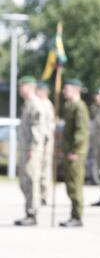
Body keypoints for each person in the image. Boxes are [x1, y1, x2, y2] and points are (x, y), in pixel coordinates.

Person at [60, 78, 90, 227]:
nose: (65, 92)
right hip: (69, 151)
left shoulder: (80, 107)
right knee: (70, 184)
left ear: (76, 90)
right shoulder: (69, 106)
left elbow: (81, 131)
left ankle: (77, 216)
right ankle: (73, 214)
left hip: (76, 152)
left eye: (68, 89)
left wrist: (75, 151)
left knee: (75, 184)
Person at [14, 76, 44, 226]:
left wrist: (33, 147)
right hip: (25, 148)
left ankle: (32, 213)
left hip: (32, 149)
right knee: (24, 181)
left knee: (32, 180)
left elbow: (38, 128)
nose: (20, 89)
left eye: (22, 86)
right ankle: (28, 211)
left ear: (30, 87)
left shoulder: (36, 105)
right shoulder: (27, 105)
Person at [36, 81, 56, 205]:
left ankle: (44, 194)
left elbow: (49, 125)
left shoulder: (47, 105)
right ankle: (39, 193)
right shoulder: (40, 104)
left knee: (45, 169)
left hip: (46, 142)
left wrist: (46, 139)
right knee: (39, 169)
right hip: (40, 141)